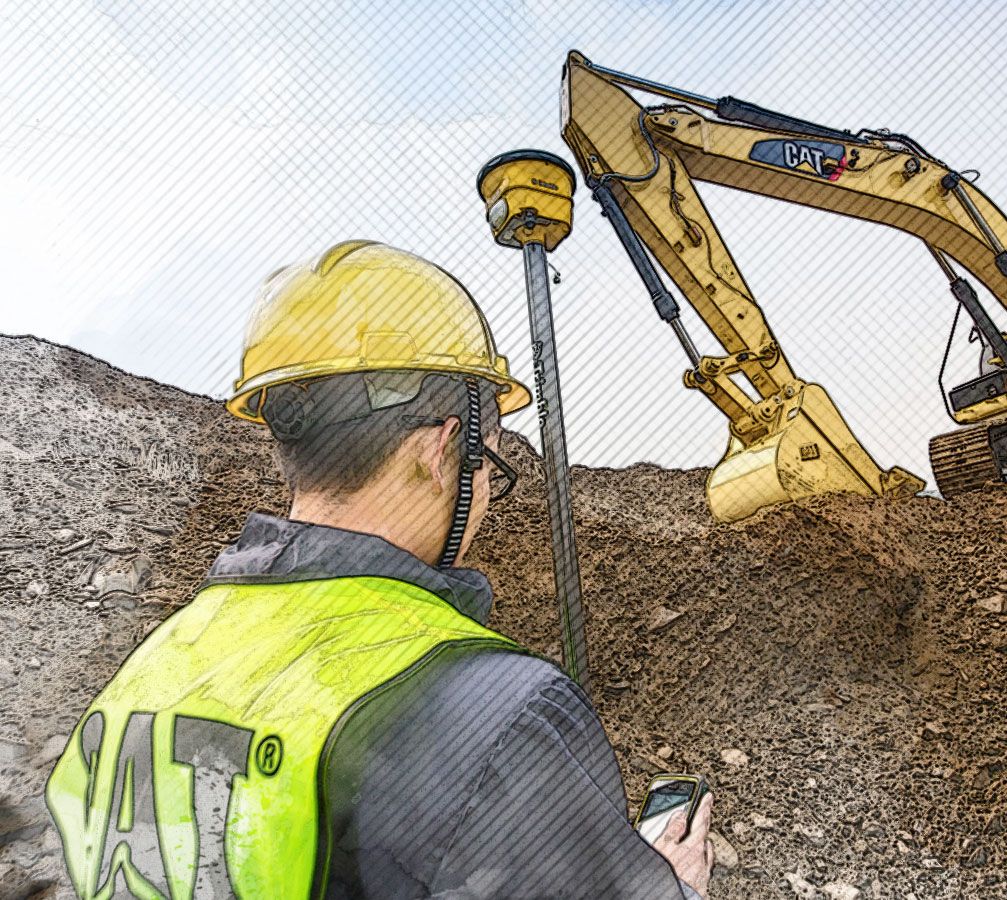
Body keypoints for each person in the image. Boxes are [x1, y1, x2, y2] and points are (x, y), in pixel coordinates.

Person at [43, 240, 714, 898]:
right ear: (434, 449)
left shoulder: (147, 673)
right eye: (487, 459)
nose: (484, 493)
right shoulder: (502, 713)